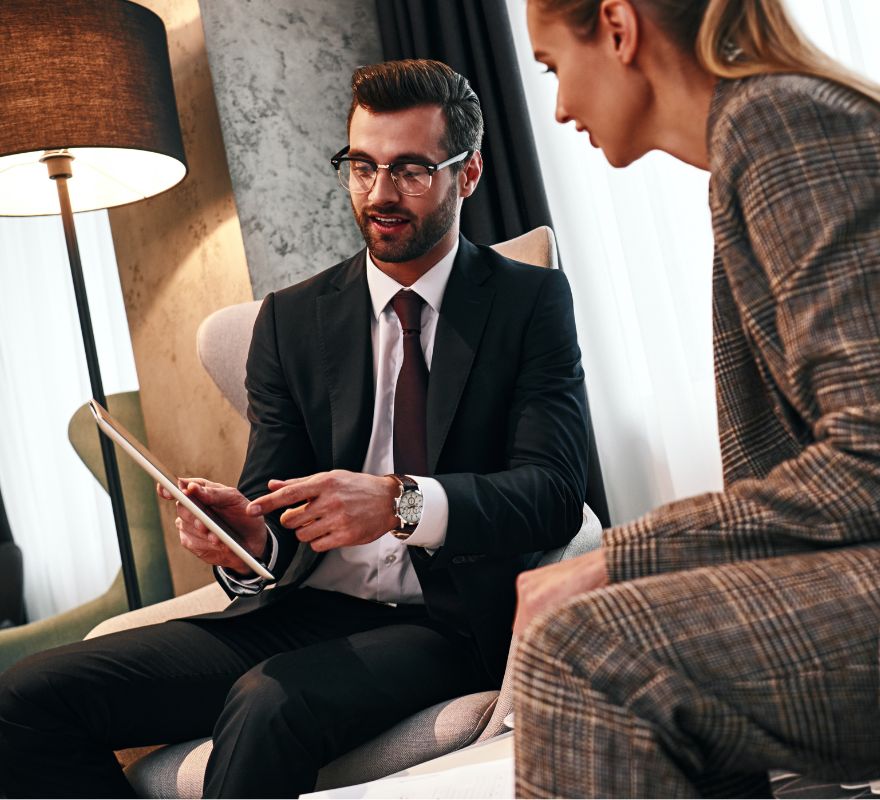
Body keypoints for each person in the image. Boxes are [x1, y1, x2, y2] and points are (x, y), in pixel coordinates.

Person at [0, 59, 591, 798]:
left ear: (466, 175)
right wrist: (244, 538)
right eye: (362, 166)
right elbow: (271, 506)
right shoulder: (293, 320)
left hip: (447, 628)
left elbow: (553, 494)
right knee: (24, 698)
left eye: (410, 169)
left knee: (269, 701)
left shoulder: (528, 301)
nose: (379, 194)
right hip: (303, 611)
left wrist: (399, 501)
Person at [513, 0, 880, 796]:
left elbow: (870, 464)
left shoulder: (781, 127)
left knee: (586, 651)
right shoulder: (754, 143)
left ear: (617, 27)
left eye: (552, 66)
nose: (560, 106)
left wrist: (622, 554)